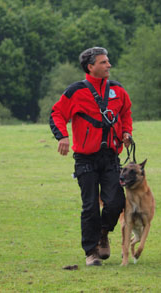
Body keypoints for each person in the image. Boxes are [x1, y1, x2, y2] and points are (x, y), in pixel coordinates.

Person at [49, 47, 133, 266]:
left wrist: (126, 132)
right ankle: (91, 252)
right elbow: (57, 113)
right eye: (104, 62)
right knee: (90, 206)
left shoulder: (117, 90)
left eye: (108, 61)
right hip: (85, 158)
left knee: (116, 202)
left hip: (111, 155)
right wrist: (62, 136)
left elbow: (125, 112)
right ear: (91, 66)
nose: (109, 65)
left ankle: (103, 232)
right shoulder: (75, 91)